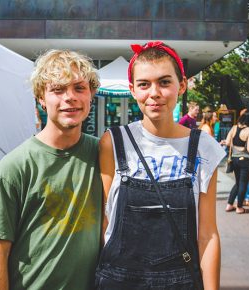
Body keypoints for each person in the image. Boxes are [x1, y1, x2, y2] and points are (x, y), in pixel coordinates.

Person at [96, 41, 226, 289]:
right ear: (133, 90)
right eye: (144, 84)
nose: (154, 92)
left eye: (164, 82)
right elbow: (104, 222)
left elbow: (208, 233)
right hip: (118, 279)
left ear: (182, 85)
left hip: (180, 280)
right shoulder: (113, 142)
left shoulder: (204, 147)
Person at [0, 49, 102, 290]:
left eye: (79, 88)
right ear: (41, 97)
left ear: (91, 94)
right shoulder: (14, 167)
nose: (69, 97)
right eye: (58, 90)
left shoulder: (105, 154)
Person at [223, 110, 249, 214]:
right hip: (246, 160)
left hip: (235, 159)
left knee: (238, 183)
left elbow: (227, 142)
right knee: (243, 184)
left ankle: (229, 205)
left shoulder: (233, 128)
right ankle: (239, 207)